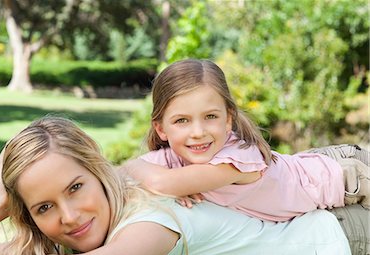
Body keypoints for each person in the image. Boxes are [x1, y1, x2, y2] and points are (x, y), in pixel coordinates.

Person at [0, 116, 368, 255]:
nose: (69, 216)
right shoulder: (83, 232)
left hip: (348, 237)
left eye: (76, 188)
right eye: (44, 208)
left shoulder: (151, 220)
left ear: (99, 171)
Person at [122, 59, 370, 222]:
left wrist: (157, 182)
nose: (197, 132)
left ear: (228, 119)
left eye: (210, 116)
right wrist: (153, 181)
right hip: (322, 170)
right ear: (161, 128)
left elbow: (159, 181)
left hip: (348, 175)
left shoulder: (234, 160)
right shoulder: (174, 156)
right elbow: (117, 175)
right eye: (182, 121)